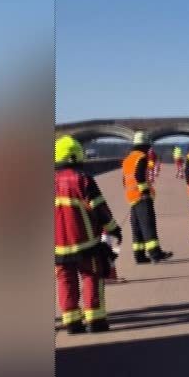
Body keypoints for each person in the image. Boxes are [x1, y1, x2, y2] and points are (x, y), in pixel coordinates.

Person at [55, 136, 120, 333]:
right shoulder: (82, 179)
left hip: (57, 246)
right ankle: (96, 319)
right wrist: (113, 229)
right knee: (91, 275)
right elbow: (99, 208)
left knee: (65, 281)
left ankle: (72, 322)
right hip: (86, 242)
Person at [120, 131, 171, 263]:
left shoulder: (127, 159)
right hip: (142, 197)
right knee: (148, 225)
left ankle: (139, 256)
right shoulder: (141, 157)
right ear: (145, 145)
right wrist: (145, 192)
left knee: (137, 228)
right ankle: (155, 254)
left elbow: (125, 180)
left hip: (131, 197)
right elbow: (139, 177)